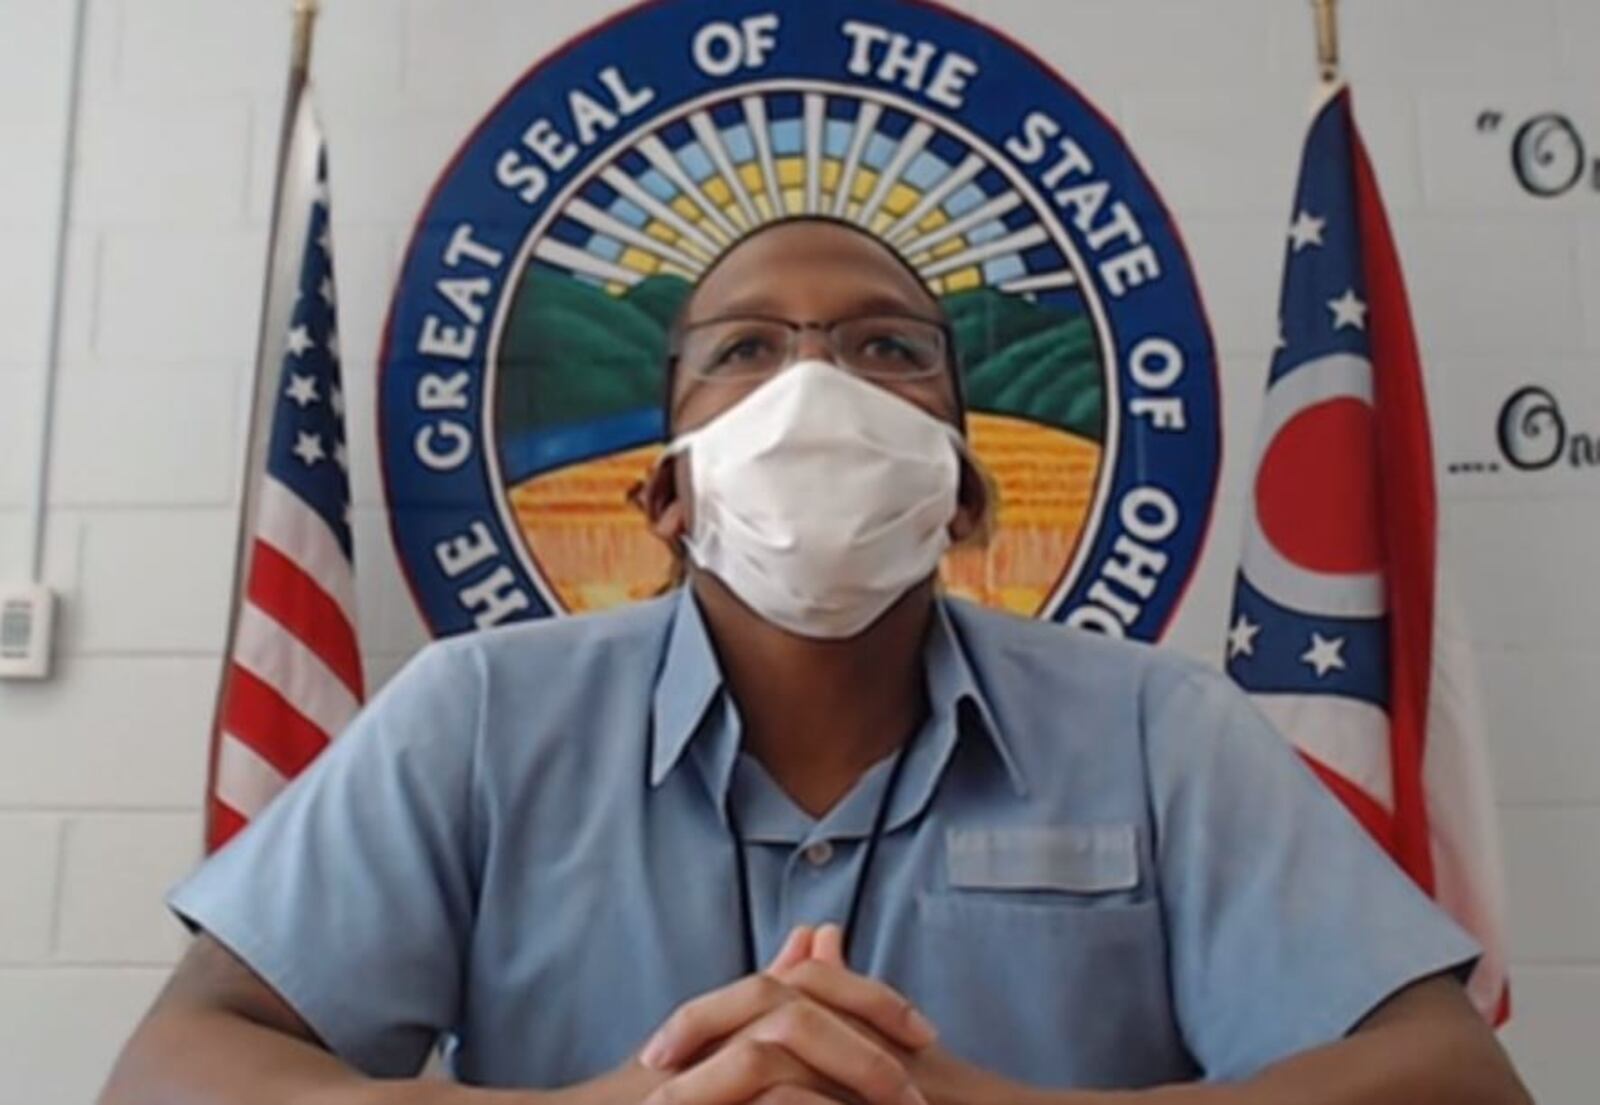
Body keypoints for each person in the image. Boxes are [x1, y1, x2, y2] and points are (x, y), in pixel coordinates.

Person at [101, 218, 1531, 1105]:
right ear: (663, 496)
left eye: (890, 348)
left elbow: (1454, 1077)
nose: (816, 384)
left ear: (965, 494)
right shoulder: (477, 716)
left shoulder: (1157, 729)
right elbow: (173, 1069)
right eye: (743, 351)